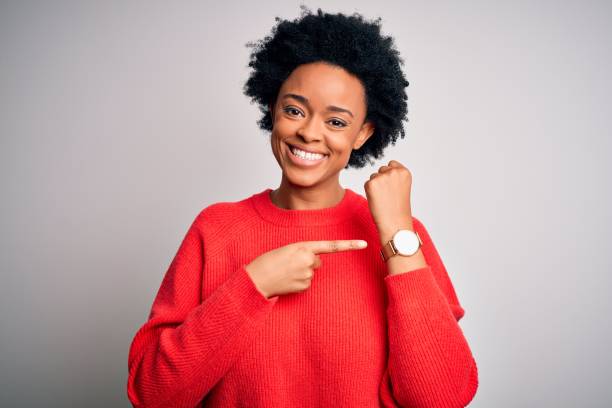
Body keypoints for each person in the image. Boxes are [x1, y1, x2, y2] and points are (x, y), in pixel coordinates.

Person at [127, 6, 478, 407]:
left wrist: (398, 231)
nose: (309, 133)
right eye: (294, 110)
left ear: (363, 133)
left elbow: (442, 398)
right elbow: (152, 394)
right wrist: (253, 286)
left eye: (336, 122)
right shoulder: (217, 229)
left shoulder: (399, 236)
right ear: (273, 109)